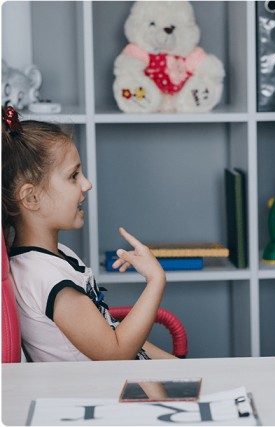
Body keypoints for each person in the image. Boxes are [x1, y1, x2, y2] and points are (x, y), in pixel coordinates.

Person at [2, 106, 176, 362]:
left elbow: (113, 330)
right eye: (73, 176)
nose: (87, 184)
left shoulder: (54, 259)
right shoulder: (47, 278)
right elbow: (115, 352)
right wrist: (155, 280)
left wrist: (178, 367)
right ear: (31, 197)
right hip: (112, 393)